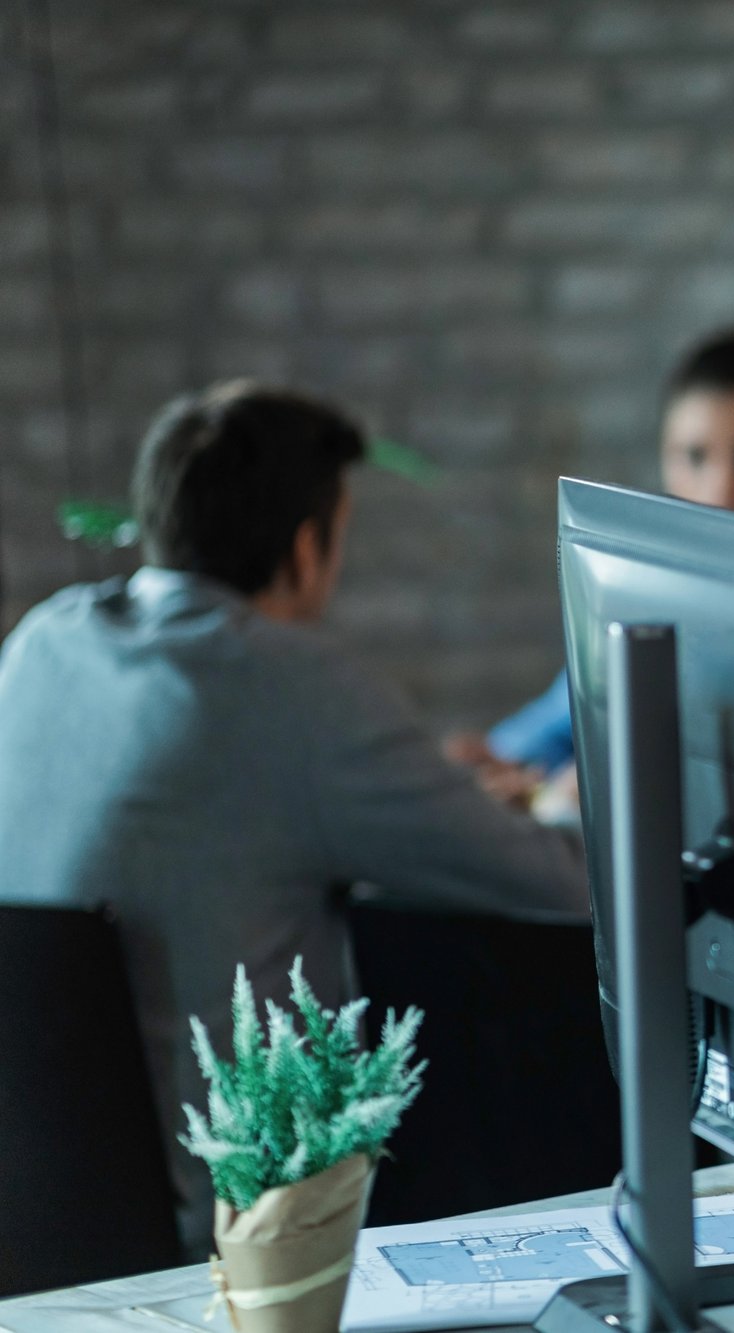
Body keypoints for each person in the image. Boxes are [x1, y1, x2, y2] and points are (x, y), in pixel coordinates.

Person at [0, 382, 590, 1251]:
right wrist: (564, 804)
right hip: (239, 1230)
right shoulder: (291, 688)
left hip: (33, 1216)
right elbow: (561, 885)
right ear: (308, 546)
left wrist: (425, 787)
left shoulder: (41, 645)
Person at [456, 328, 734, 787]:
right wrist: (499, 765)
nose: (721, 492)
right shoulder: (645, 588)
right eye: (694, 457)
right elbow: (566, 717)